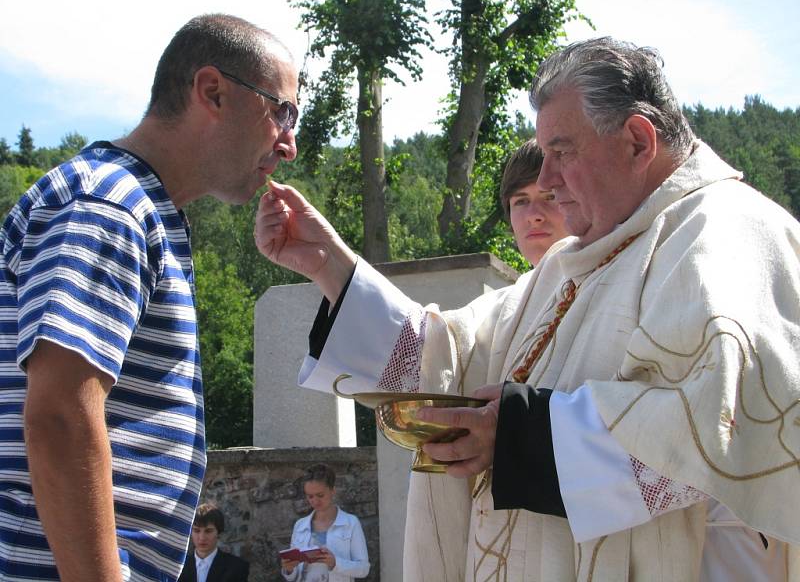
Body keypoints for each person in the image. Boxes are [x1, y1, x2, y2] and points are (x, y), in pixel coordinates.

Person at [255, 37, 799, 580]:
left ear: (637, 140)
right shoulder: (571, 263)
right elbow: (452, 356)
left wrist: (520, 436)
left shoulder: (727, 230)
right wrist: (329, 264)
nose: (546, 181)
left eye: (561, 152)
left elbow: (717, 428)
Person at [0, 14, 297, 581]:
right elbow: (60, 415)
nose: (290, 143)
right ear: (212, 92)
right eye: (282, 112)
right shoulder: (110, 205)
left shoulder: (136, 208)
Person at [281, 464, 370, 582]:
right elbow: (295, 574)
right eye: (310, 496)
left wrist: (335, 563)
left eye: (320, 495)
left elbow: (363, 569)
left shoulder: (350, 523)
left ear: (333, 490)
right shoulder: (300, 525)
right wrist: (289, 570)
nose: (315, 501)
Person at [500, 138, 572, 266]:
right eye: (521, 201)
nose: (533, 216)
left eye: (550, 197)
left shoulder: (614, 281)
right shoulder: (520, 286)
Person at [178, 503, 249, 582]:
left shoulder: (237, 567)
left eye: (208, 531)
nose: (202, 538)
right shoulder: (177, 567)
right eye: (196, 530)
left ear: (218, 532)